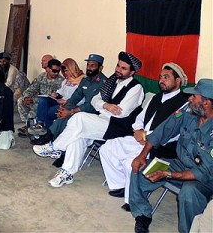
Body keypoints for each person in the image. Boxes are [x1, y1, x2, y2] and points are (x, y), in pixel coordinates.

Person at [34, 51, 144, 188]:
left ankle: (55, 147)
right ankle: (66, 173)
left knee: (79, 118)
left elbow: (121, 113)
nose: (118, 70)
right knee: (78, 136)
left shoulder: (136, 88)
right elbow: (94, 100)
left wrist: (102, 106)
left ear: (132, 72)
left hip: (117, 127)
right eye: (118, 66)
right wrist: (106, 105)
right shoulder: (112, 81)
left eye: (123, 68)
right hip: (101, 120)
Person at [100, 63, 189, 212]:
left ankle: (132, 199)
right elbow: (140, 118)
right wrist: (138, 129)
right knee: (107, 147)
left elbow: (177, 133)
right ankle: (120, 185)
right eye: (160, 77)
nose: (161, 80)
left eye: (166, 77)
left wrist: (147, 136)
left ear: (178, 80)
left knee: (131, 162)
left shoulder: (184, 103)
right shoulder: (156, 97)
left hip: (161, 147)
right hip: (140, 139)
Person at [129, 78, 213, 233]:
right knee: (140, 168)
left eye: (194, 96)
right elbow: (163, 130)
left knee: (189, 193)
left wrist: (167, 174)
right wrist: (142, 155)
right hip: (181, 164)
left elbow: (205, 172)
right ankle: (142, 214)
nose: (189, 98)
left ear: (206, 102)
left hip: (206, 179)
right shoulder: (189, 111)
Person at [32, 54, 107, 148]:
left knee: (69, 117)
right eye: (88, 65)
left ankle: (59, 146)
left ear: (100, 68)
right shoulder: (86, 80)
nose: (89, 67)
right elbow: (76, 96)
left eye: (93, 65)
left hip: (94, 113)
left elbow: (91, 106)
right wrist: (64, 107)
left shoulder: (104, 83)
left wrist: (71, 111)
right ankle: (49, 137)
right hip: (82, 109)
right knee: (63, 112)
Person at [28, 58, 84, 136]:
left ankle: (46, 133)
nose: (65, 73)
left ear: (72, 68)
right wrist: (55, 94)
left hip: (71, 104)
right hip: (61, 101)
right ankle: (40, 124)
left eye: (66, 71)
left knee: (49, 111)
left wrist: (66, 101)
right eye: (63, 71)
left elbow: (82, 99)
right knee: (43, 100)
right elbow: (60, 91)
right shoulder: (66, 80)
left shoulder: (82, 80)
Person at [17, 54, 62, 137]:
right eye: (54, 71)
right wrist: (27, 97)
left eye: (58, 71)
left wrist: (33, 99)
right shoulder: (42, 76)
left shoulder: (60, 81)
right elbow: (32, 88)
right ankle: (28, 124)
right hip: (38, 99)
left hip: (48, 102)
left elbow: (52, 98)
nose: (56, 73)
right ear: (48, 69)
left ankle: (31, 127)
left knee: (37, 105)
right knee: (21, 100)